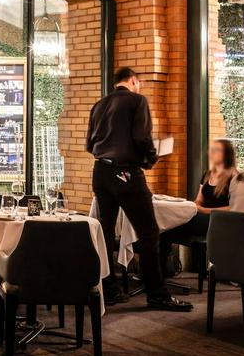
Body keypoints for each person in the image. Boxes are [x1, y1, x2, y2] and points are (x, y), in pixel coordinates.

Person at [87, 66, 191, 311]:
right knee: (149, 231)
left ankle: (108, 289)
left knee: (105, 232)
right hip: (125, 173)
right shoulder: (137, 101)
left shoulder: (99, 105)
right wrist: (151, 159)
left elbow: (90, 144)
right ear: (133, 81)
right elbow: (142, 137)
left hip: (100, 172)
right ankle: (157, 294)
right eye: (139, 83)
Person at [159, 139, 235, 277]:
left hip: (219, 220)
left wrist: (205, 211)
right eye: (211, 149)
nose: (211, 152)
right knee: (165, 227)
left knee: (170, 225)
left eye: (217, 150)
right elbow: (198, 200)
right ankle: (160, 271)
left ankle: (158, 272)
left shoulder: (234, 176)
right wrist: (195, 207)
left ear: (227, 154)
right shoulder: (207, 174)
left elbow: (234, 207)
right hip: (202, 217)